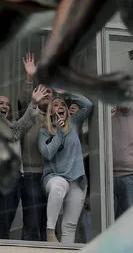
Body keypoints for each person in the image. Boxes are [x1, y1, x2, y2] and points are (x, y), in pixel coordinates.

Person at [0, 85, 47, 239]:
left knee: (6, 221)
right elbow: (15, 132)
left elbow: (22, 127)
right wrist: (33, 104)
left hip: (16, 177)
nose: (5, 106)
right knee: (3, 221)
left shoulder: (11, 124)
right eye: (1, 103)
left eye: (7, 104)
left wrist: (34, 105)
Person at [38, 91, 92, 243]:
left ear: (67, 111)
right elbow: (47, 154)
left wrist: (67, 93)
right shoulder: (44, 132)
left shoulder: (74, 123)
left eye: (63, 105)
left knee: (69, 227)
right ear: (51, 111)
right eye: (56, 105)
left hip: (77, 180)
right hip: (54, 177)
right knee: (59, 187)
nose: (60, 107)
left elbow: (88, 105)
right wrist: (60, 134)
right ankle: (50, 232)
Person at [18, 53, 52, 241]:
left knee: (48, 224)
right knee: (31, 223)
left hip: (52, 175)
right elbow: (24, 103)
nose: (46, 95)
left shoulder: (58, 119)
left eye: (50, 92)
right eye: (43, 91)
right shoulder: (30, 114)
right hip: (31, 174)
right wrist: (30, 78)